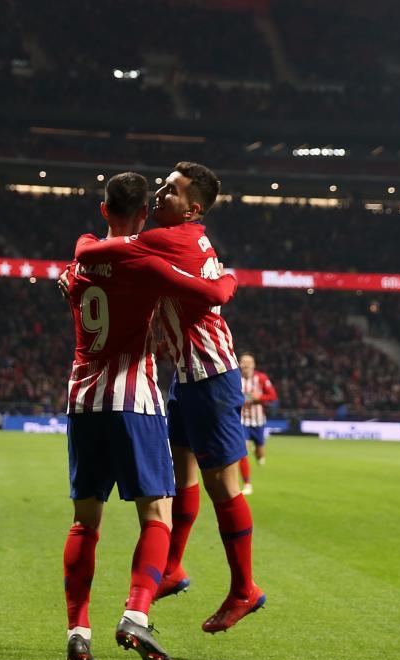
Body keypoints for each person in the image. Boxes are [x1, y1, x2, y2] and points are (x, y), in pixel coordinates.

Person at [76, 161, 265, 634]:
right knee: (181, 476)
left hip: (210, 376)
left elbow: (99, 251)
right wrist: (226, 281)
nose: (160, 193)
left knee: (224, 487)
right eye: (162, 185)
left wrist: (75, 261)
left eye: (173, 191)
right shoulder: (187, 236)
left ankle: (244, 589)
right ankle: (173, 567)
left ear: (193, 209)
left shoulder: (165, 239)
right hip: (186, 376)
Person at [237, 352, 278, 496]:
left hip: (258, 421)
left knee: (260, 454)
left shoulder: (261, 378)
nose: (246, 365)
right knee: (243, 450)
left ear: (253, 365)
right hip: (242, 421)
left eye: (248, 362)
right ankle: (247, 484)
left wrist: (259, 398)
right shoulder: (235, 379)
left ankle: (259, 453)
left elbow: (273, 396)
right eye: (243, 362)